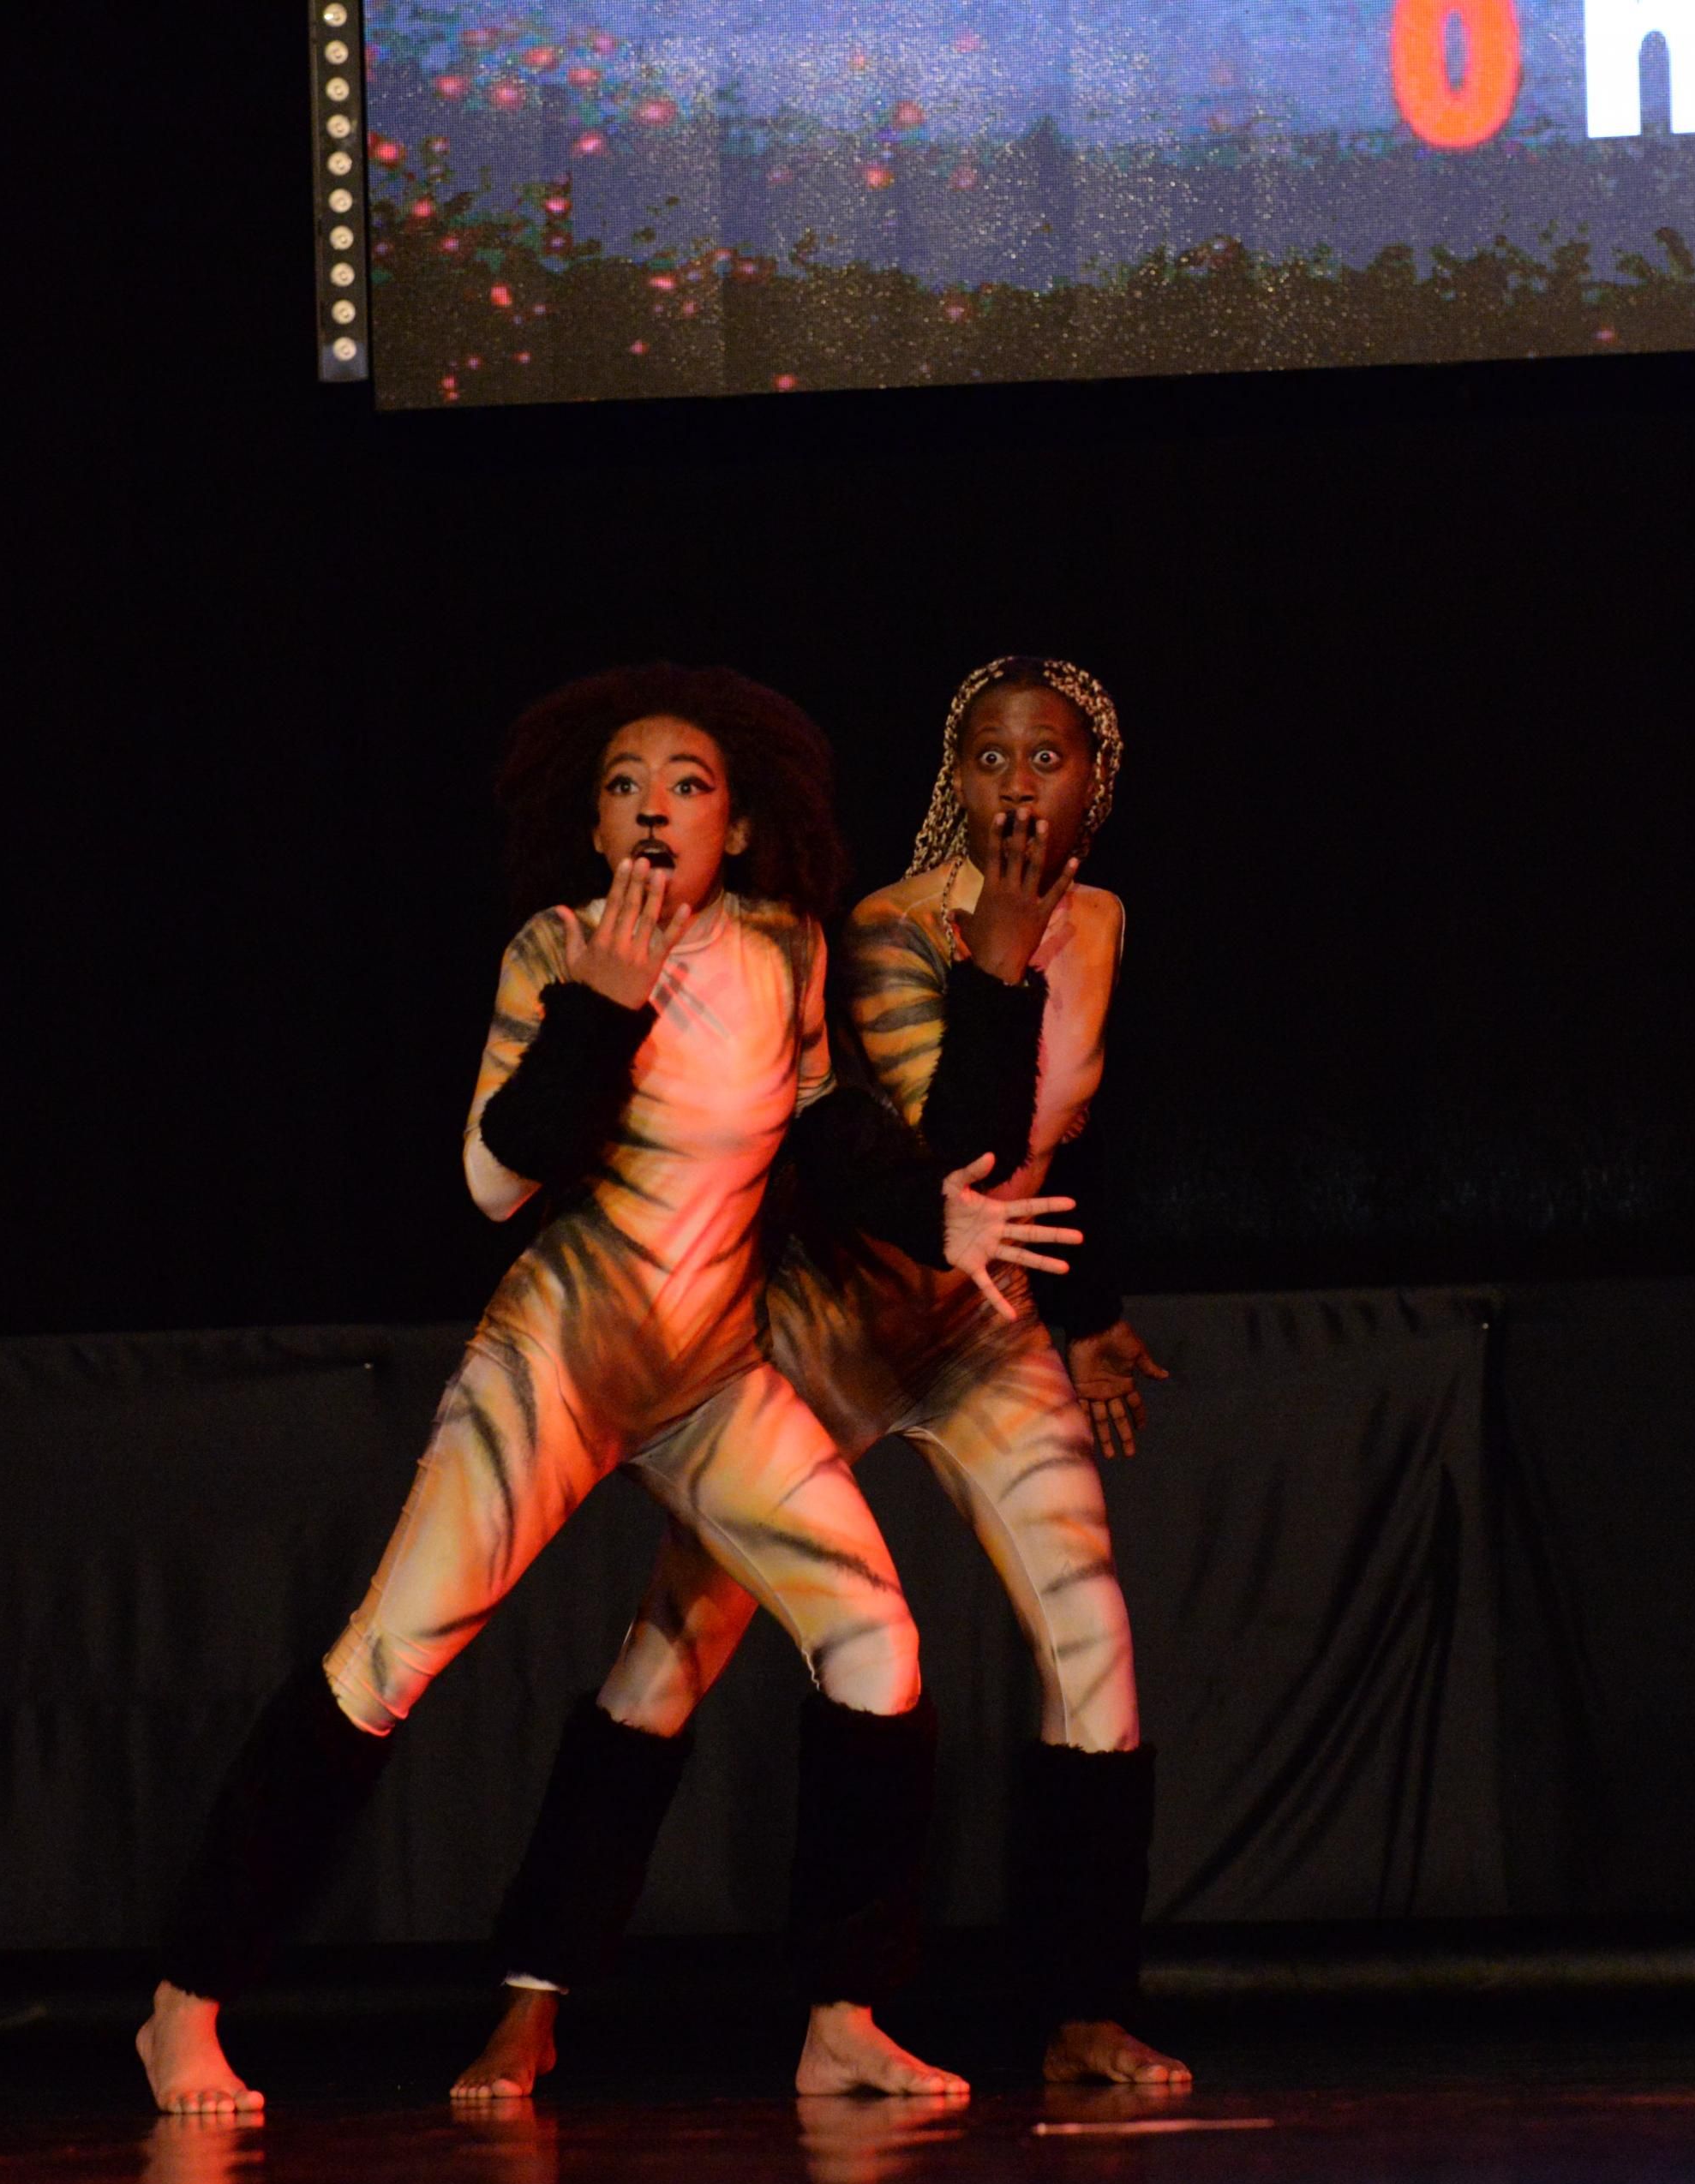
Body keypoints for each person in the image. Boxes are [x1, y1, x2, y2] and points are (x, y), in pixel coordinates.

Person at [136, 664, 1079, 2115]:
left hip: (708, 1377)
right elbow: (491, 1179)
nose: (654, 808)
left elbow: (823, 1126)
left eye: (687, 786)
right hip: (560, 1364)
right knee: (387, 1658)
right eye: (626, 786)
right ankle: (184, 2003)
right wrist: (598, 1012)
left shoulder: (784, 949)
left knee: (876, 1642)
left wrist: (933, 1214)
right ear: (594, 828)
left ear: (737, 827)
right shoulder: (557, 949)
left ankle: (843, 2018)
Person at [457, 656, 1187, 2103]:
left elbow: (1063, 1135)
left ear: (1095, 783)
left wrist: (1091, 1312)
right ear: (953, 778)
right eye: (988, 758)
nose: (1017, 787)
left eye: (1047, 760)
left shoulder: (1103, 921)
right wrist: (999, 954)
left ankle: (1081, 2010)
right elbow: (951, 1159)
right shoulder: (890, 931)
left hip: (984, 1333)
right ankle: (532, 1996)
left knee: (1091, 1635)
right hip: (837, 1313)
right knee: (679, 1636)